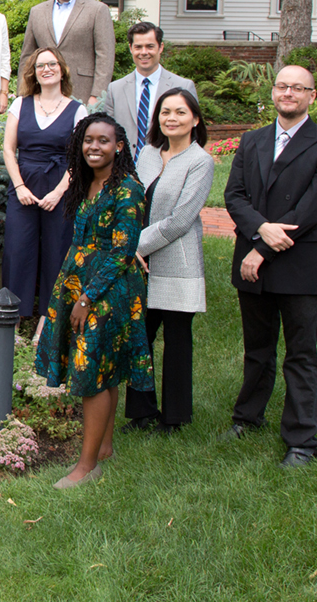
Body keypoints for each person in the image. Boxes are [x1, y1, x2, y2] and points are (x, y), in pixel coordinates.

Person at [222, 65, 317, 467]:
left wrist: (264, 249)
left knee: (300, 353)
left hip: (299, 263)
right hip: (253, 260)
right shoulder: (252, 140)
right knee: (257, 349)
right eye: (282, 86)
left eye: (298, 88)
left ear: (312, 96)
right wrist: (259, 231)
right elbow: (234, 196)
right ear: (272, 92)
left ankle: (302, 440)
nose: (288, 93)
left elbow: (311, 208)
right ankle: (247, 417)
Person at [34, 114, 153, 489]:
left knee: (91, 371)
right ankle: (103, 449)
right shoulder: (90, 183)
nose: (94, 147)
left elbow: (122, 252)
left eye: (103, 141)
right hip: (82, 280)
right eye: (88, 140)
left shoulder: (127, 188)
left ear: (119, 146)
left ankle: (86, 467)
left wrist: (86, 298)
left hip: (108, 290)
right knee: (103, 367)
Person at [123, 88, 215, 435]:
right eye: (165, 112)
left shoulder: (200, 161)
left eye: (179, 112)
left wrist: (136, 246)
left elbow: (180, 219)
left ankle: (173, 418)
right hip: (140, 265)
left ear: (194, 119)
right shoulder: (147, 153)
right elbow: (131, 200)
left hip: (177, 262)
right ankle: (140, 411)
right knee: (139, 338)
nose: (171, 118)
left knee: (176, 342)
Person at [0, 46, 87, 324]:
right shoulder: (20, 104)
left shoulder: (77, 109)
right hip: (24, 183)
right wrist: (20, 187)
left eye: (51, 64)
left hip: (60, 185)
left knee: (57, 252)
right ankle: (12, 319)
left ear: (62, 69)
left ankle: (47, 324)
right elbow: (8, 149)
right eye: (40, 66)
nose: (46, 69)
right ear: (33, 73)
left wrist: (59, 191)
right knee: (17, 250)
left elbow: (79, 157)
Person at [16, 0, 116, 107]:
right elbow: (27, 56)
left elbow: (105, 55)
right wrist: (22, 94)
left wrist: (97, 95)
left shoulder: (97, 10)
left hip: (82, 92)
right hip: (44, 94)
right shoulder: (37, 12)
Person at [104, 21, 197, 162]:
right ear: (130, 48)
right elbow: (108, 133)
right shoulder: (115, 89)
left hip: (167, 167)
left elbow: (193, 134)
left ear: (161, 47)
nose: (144, 52)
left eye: (150, 46)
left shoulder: (183, 86)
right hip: (125, 170)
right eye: (138, 47)